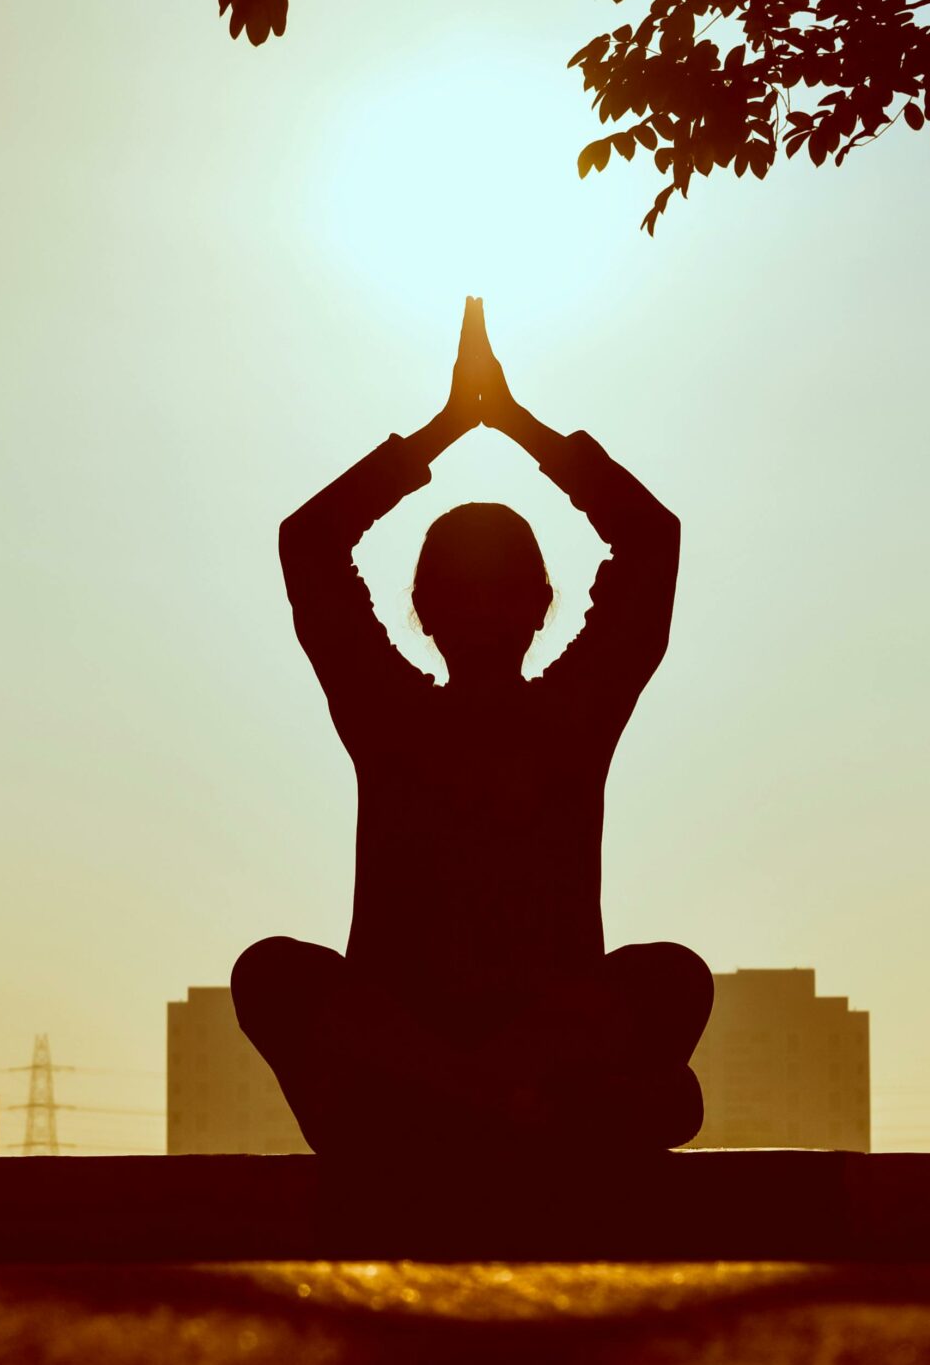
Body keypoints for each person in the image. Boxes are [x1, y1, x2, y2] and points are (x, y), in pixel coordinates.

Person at [234, 298, 713, 1155]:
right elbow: (308, 544)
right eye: (469, 587)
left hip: (470, 1065)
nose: (484, 605)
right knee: (270, 973)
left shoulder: (550, 715)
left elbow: (652, 540)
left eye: (495, 588)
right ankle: (499, 1103)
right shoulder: (407, 714)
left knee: (675, 977)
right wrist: (487, 425)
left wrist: (472, 427)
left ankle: (475, 1100)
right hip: (443, 1061)